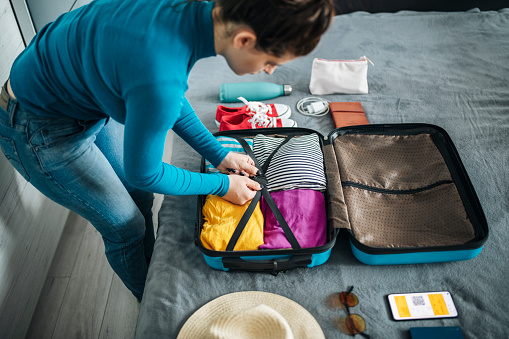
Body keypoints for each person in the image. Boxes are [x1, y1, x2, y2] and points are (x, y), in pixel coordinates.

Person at [0, 0, 334, 301]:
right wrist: (223, 185)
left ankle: (150, 267)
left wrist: (219, 153)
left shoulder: (190, 14)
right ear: (244, 40)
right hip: (37, 126)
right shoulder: (159, 75)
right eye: (271, 61)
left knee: (139, 198)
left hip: (80, 92)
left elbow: (168, 96)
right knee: (126, 226)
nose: (269, 71)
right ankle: (150, 300)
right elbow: (146, 169)